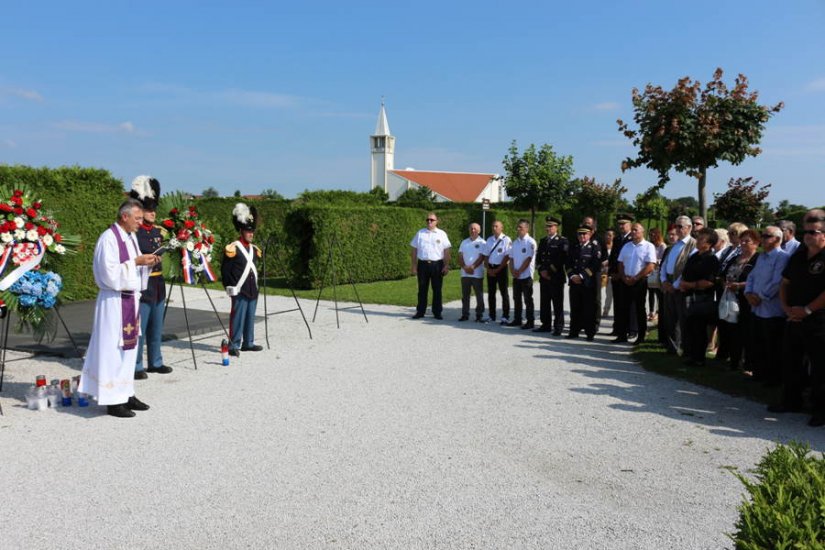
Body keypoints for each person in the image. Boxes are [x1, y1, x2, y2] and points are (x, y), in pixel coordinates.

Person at [79, 199, 160, 418]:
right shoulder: (108, 239)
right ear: (124, 216)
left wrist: (146, 264)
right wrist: (136, 263)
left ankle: (126, 392)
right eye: (137, 218)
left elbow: (133, 266)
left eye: (142, 218)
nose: (141, 223)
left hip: (129, 300)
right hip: (114, 301)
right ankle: (112, 400)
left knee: (129, 349)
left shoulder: (130, 237)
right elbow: (108, 273)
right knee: (112, 349)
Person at [769, 210, 825, 427]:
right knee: (791, 361)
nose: (808, 235)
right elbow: (785, 283)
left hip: (818, 319)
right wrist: (786, 307)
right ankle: (791, 401)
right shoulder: (799, 255)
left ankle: (820, 410)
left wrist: (808, 310)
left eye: (813, 231)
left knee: (820, 367)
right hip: (794, 317)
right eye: (805, 231)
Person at [129, 176, 172, 380]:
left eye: (154, 209)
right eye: (148, 210)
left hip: (158, 282)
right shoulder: (134, 233)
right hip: (142, 283)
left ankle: (156, 361)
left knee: (157, 326)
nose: (153, 213)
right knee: (140, 328)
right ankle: (136, 365)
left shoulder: (159, 231)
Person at [744, 225, 790, 385]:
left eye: (767, 236)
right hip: (756, 307)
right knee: (757, 342)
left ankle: (772, 377)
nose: (763, 239)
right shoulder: (761, 256)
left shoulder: (782, 257)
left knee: (772, 345)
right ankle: (759, 373)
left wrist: (761, 296)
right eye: (763, 235)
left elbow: (777, 282)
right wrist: (749, 293)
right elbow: (751, 276)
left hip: (772, 309)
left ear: (777, 239)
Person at [222, 203, 263, 355]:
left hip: (252, 289)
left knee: (250, 317)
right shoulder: (233, 247)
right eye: (248, 231)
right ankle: (234, 345)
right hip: (239, 289)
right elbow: (226, 270)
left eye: (252, 231)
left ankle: (248, 342)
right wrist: (228, 286)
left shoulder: (254, 249)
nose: (251, 234)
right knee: (237, 318)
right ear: (241, 231)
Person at [717, 229, 760, 371]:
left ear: (756, 243)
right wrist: (725, 284)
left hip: (747, 300)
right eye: (741, 240)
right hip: (730, 298)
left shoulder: (757, 259)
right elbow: (723, 274)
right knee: (732, 330)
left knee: (747, 332)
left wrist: (740, 286)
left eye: (747, 241)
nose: (743, 243)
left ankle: (748, 363)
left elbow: (759, 280)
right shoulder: (736, 258)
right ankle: (733, 360)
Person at [680, 228, 721, 366]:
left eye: (702, 238)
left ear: (709, 243)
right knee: (689, 326)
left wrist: (690, 285)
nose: (698, 240)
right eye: (698, 237)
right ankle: (689, 354)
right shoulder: (694, 256)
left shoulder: (711, 259)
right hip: (688, 295)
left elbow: (709, 282)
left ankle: (699, 358)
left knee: (699, 328)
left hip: (702, 298)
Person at [615, 223, 657, 344]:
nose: (633, 232)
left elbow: (650, 265)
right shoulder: (626, 246)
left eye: (636, 230)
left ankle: (641, 336)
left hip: (639, 281)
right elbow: (620, 263)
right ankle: (622, 335)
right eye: (632, 230)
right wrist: (623, 277)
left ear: (642, 232)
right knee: (623, 308)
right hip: (625, 280)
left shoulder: (648, 246)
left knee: (639, 309)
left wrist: (636, 277)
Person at [659, 216, 696, 355]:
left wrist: (675, 284)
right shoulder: (675, 245)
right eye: (677, 226)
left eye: (681, 226)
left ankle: (682, 348)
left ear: (689, 228)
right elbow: (665, 265)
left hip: (680, 285)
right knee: (669, 318)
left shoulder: (693, 245)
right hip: (669, 284)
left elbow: (687, 268)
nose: (678, 229)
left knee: (682, 319)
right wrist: (664, 281)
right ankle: (672, 346)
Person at [410, 212, 451, 320]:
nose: (429, 221)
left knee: (437, 289)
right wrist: (414, 265)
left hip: (437, 265)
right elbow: (414, 249)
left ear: (437, 221)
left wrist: (446, 265)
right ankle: (420, 311)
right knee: (422, 289)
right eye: (427, 220)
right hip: (423, 265)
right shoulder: (420, 233)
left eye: (432, 220)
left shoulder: (442, 234)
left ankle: (437, 312)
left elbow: (446, 251)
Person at [566, 224, 602, 341]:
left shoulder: (594, 247)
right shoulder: (574, 247)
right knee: (575, 307)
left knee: (588, 309)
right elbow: (568, 263)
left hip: (587, 283)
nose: (582, 236)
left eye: (585, 233)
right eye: (580, 234)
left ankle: (589, 332)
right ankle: (574, 331)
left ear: (590, 234)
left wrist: (581, 276)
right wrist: (572, 275)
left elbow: (595, 265)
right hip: (574, 282)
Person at [535, 216, 568, 335]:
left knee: (557, 303)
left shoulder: (562, 241)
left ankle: (558, 326)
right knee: (545, 302)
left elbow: (562, 259)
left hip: (556, 277)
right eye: (547, 226)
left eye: (551, 226)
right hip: (544, 277)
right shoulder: (543, 241)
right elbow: (538, 258)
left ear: (556, 228)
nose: (548, 228)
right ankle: (546, 324)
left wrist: (549, 272)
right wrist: (541, 271)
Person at [507, 219, 536, 329]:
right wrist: (513, 271)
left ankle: (530, 321)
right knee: (516, 298)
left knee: (528, 299)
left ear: (526, 228)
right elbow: (511, 258)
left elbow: (528, 259)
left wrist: (519, 271)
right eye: (518, 227)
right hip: (516, 276)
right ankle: (517, 319)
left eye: (521, 227)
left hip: (526, 275)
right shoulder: (515, 242)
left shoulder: (530, 242)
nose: (518, 229)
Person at [608, 214, 634, 336]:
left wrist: (621, 274)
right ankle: (618, 328)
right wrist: (612, 272)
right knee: (618, 303)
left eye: (624, 224)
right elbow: (613, 257)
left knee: (629, 304)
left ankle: (631, 329)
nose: (621, 226)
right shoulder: (617, 238)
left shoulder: (633, 238)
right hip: (616, 277)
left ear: (630, 225)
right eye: (620, 224)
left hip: (627, 275)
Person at [483, 220, 511, 325]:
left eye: (496, 226)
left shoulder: (506, 240)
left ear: (501, 228)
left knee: (504, 293)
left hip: (501, 269)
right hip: (491, 268)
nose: (494, 228)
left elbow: (507, 256)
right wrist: (488, 268)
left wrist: (497, 269)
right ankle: (492, 315)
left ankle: (505, 316)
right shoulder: (489, 240)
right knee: (491, 293)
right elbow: (486, 255)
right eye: (493, 226)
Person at [457, 223, 486, 322]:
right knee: (465, 295)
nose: (473, 230)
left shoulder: (483, 242)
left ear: (479, 231)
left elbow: (482, 257)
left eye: (475, 229)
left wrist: (473, 267)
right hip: (465, 273)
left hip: (477, 273)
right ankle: (465, 314)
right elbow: (460, 256)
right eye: (471, 228)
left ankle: (479, 314)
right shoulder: (464, 242)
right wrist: (465, 267)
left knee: (479, 295)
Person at [647, 227, 666, 322]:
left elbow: (663, 259)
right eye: (650, 235)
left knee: (658, 293)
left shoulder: (662, 246)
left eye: (652, 234)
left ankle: (659, 312)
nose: (651, 236)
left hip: (658, 271)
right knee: (650, 292)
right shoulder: (650, 245)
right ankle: (651, 311)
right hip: (651, 272)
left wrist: (655, 261)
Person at [601, 229, 615, 316]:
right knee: (598, 292)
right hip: (601, 272)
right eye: (606, 235)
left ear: (613, 236)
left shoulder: (616, 247)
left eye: (610, 235)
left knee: (609, 293)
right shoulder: (601, 246)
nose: (608, 237)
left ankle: (606, 309)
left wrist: (609, 262)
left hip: (610, 273)